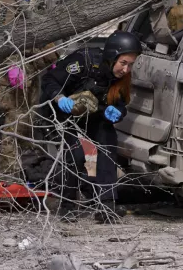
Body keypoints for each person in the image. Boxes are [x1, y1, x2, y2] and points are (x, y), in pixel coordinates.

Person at [41, 31, 141, 223]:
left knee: (107, 146)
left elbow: (121, 103)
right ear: (112, 57)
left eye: (131, 64)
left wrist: (118, 112)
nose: (126, 69)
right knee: (75, 154)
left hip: (95, 116)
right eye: (123, 63)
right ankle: (67, 206)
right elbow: (49, 80)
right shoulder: (83, 61)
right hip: (65, 115)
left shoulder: (121, 77)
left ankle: (106, 207)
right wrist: (60, 98)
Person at [0, 0, 59, 177]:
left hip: (31, 65)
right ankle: (9, 176)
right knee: (15, 122)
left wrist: (49, 54)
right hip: (14, 66)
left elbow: (37, 30)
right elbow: (3, 32)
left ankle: (27, 172)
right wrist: (12, 64)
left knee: (27, 121)